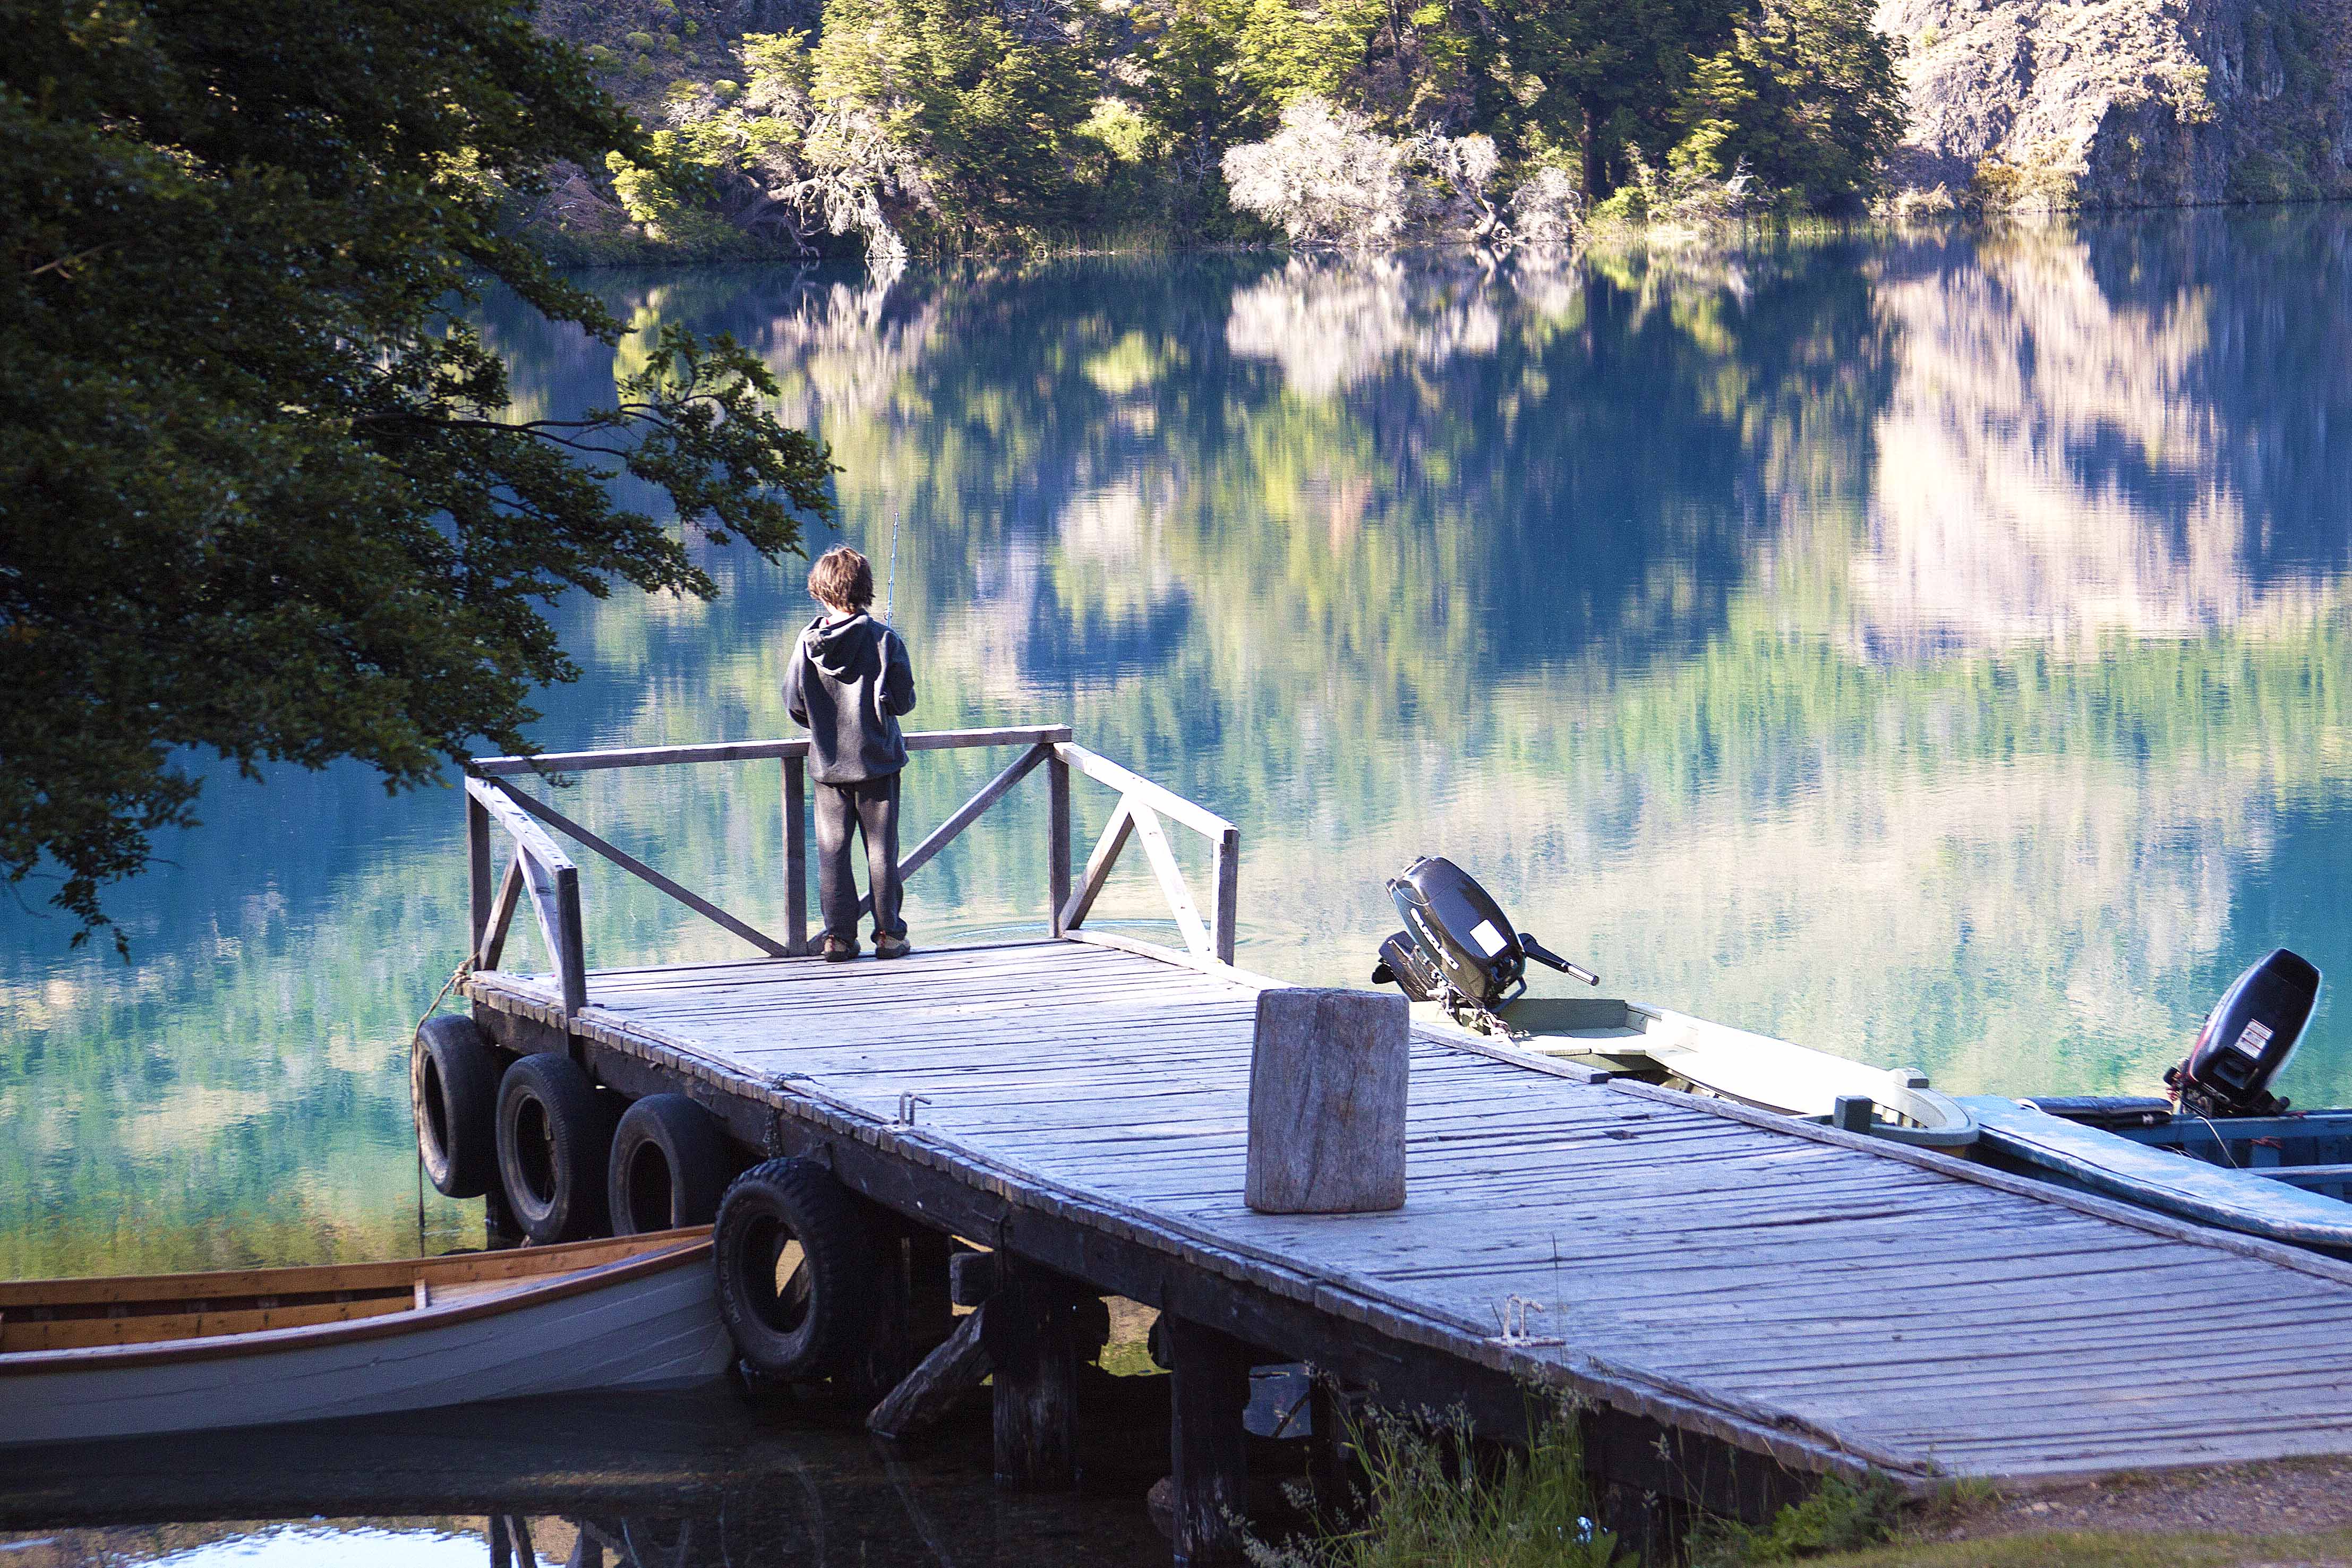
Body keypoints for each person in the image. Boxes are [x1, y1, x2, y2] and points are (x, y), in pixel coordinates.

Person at [784, 546, 917, 960]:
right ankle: (889, 936)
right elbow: (903, 702)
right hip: (877, 763)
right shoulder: (884, 639)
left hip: (829, 766)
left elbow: (794, 702)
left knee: (833, 854)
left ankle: (838, 939)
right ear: (865, 588)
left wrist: (823, 727)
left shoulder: (807, 643)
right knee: (882, 852)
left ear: (820, 590)